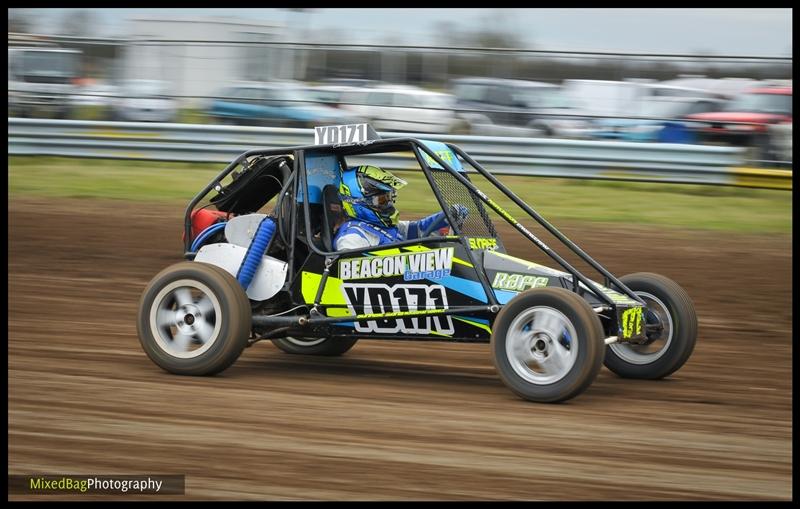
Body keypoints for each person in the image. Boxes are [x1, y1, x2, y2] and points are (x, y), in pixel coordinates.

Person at [334, 165, 467, 250]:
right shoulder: (352, 237)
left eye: (389, 197)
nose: (387, 204)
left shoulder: (383, 226)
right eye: (381, 200)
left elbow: (419, 229)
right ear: (356, 202)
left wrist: (447, 216)